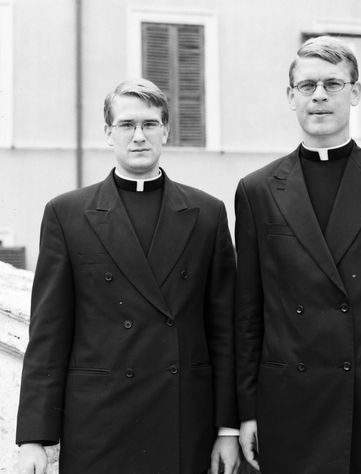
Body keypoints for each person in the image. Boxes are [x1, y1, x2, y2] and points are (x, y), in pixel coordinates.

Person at [235, 36, 361, 474]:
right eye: (307, 86)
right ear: (291, 97)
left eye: (333, 83)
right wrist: (248, 409)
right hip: (291, 403)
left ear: (356, 92)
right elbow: (248, 312)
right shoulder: (257, 190)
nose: (320, 96)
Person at [16, 78, 240, 474]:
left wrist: (228, 429)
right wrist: (35, 437)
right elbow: (49, 333)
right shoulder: (67, 214)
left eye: (150, 124)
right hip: (99, 422)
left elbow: (224, 331)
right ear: (108, 133)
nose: (139, 136)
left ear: (165, 130)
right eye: (126, 125)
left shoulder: (207, 213)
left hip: (182, 421)